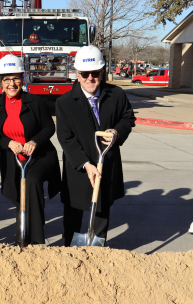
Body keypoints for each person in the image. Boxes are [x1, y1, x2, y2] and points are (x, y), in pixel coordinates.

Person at [56, 45, 136, 246]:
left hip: (105, 162)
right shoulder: (65, 102)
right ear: (77, 74)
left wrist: (117, 132)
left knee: (101, 207)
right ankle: (68, 248)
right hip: (79, 167)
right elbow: (65, 137)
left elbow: (128, 118)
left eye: (95, 73)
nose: (90, 78)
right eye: (84, 74)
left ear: (102, 72)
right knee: (73, 210)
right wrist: (85, 163)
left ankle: (98, 245)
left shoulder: (116, 95)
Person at [0, 54, 62, 246]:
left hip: (39, 156)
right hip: (12, 158)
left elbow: (49, 127)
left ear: (22, 79)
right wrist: (8, 143)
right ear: (0, 82)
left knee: (31, 183)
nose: (11, 84)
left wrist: (34, 142)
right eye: (7, 79)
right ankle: (22, 238)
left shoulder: (35, 102)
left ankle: (36, 242)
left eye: (16, 78)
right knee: (19, 198)